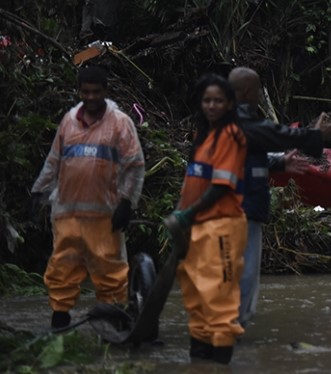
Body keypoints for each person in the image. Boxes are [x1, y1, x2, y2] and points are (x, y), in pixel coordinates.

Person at [29, 64, 145, 329]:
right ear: (79, 91)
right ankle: (60, 319)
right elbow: (54, 161)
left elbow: (135, 165)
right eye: (85, 92)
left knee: (110, 272)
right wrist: (38, 191)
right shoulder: (69, 121)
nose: (90, 97)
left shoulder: (121, 124)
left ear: (105, 90)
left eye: (96, 92)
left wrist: (127, 202)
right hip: (67, 212)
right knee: (62, 268)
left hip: (105, 215)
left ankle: (114, 325)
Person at [227, 66, 331, 329]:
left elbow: (248, 155)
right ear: (249, 91)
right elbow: (274, 134)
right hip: (242, 207)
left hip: (230, 207)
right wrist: (314, 135)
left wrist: (278, 163)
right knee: (245, 271)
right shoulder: (241, 122)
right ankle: (230, 328)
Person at [168, 73, 248, 364]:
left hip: (222, 224)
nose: (211, 106)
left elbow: (221, 186)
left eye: (218, 101)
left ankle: (219, 364)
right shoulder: (204, 137)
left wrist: (187, 213)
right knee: (195, 292)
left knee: (220, 298)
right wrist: (180, 212)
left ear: (229, 104)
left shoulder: (231, 135)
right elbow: (193, 183)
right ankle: (199, 363)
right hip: (197, 225)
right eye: (207, 100)